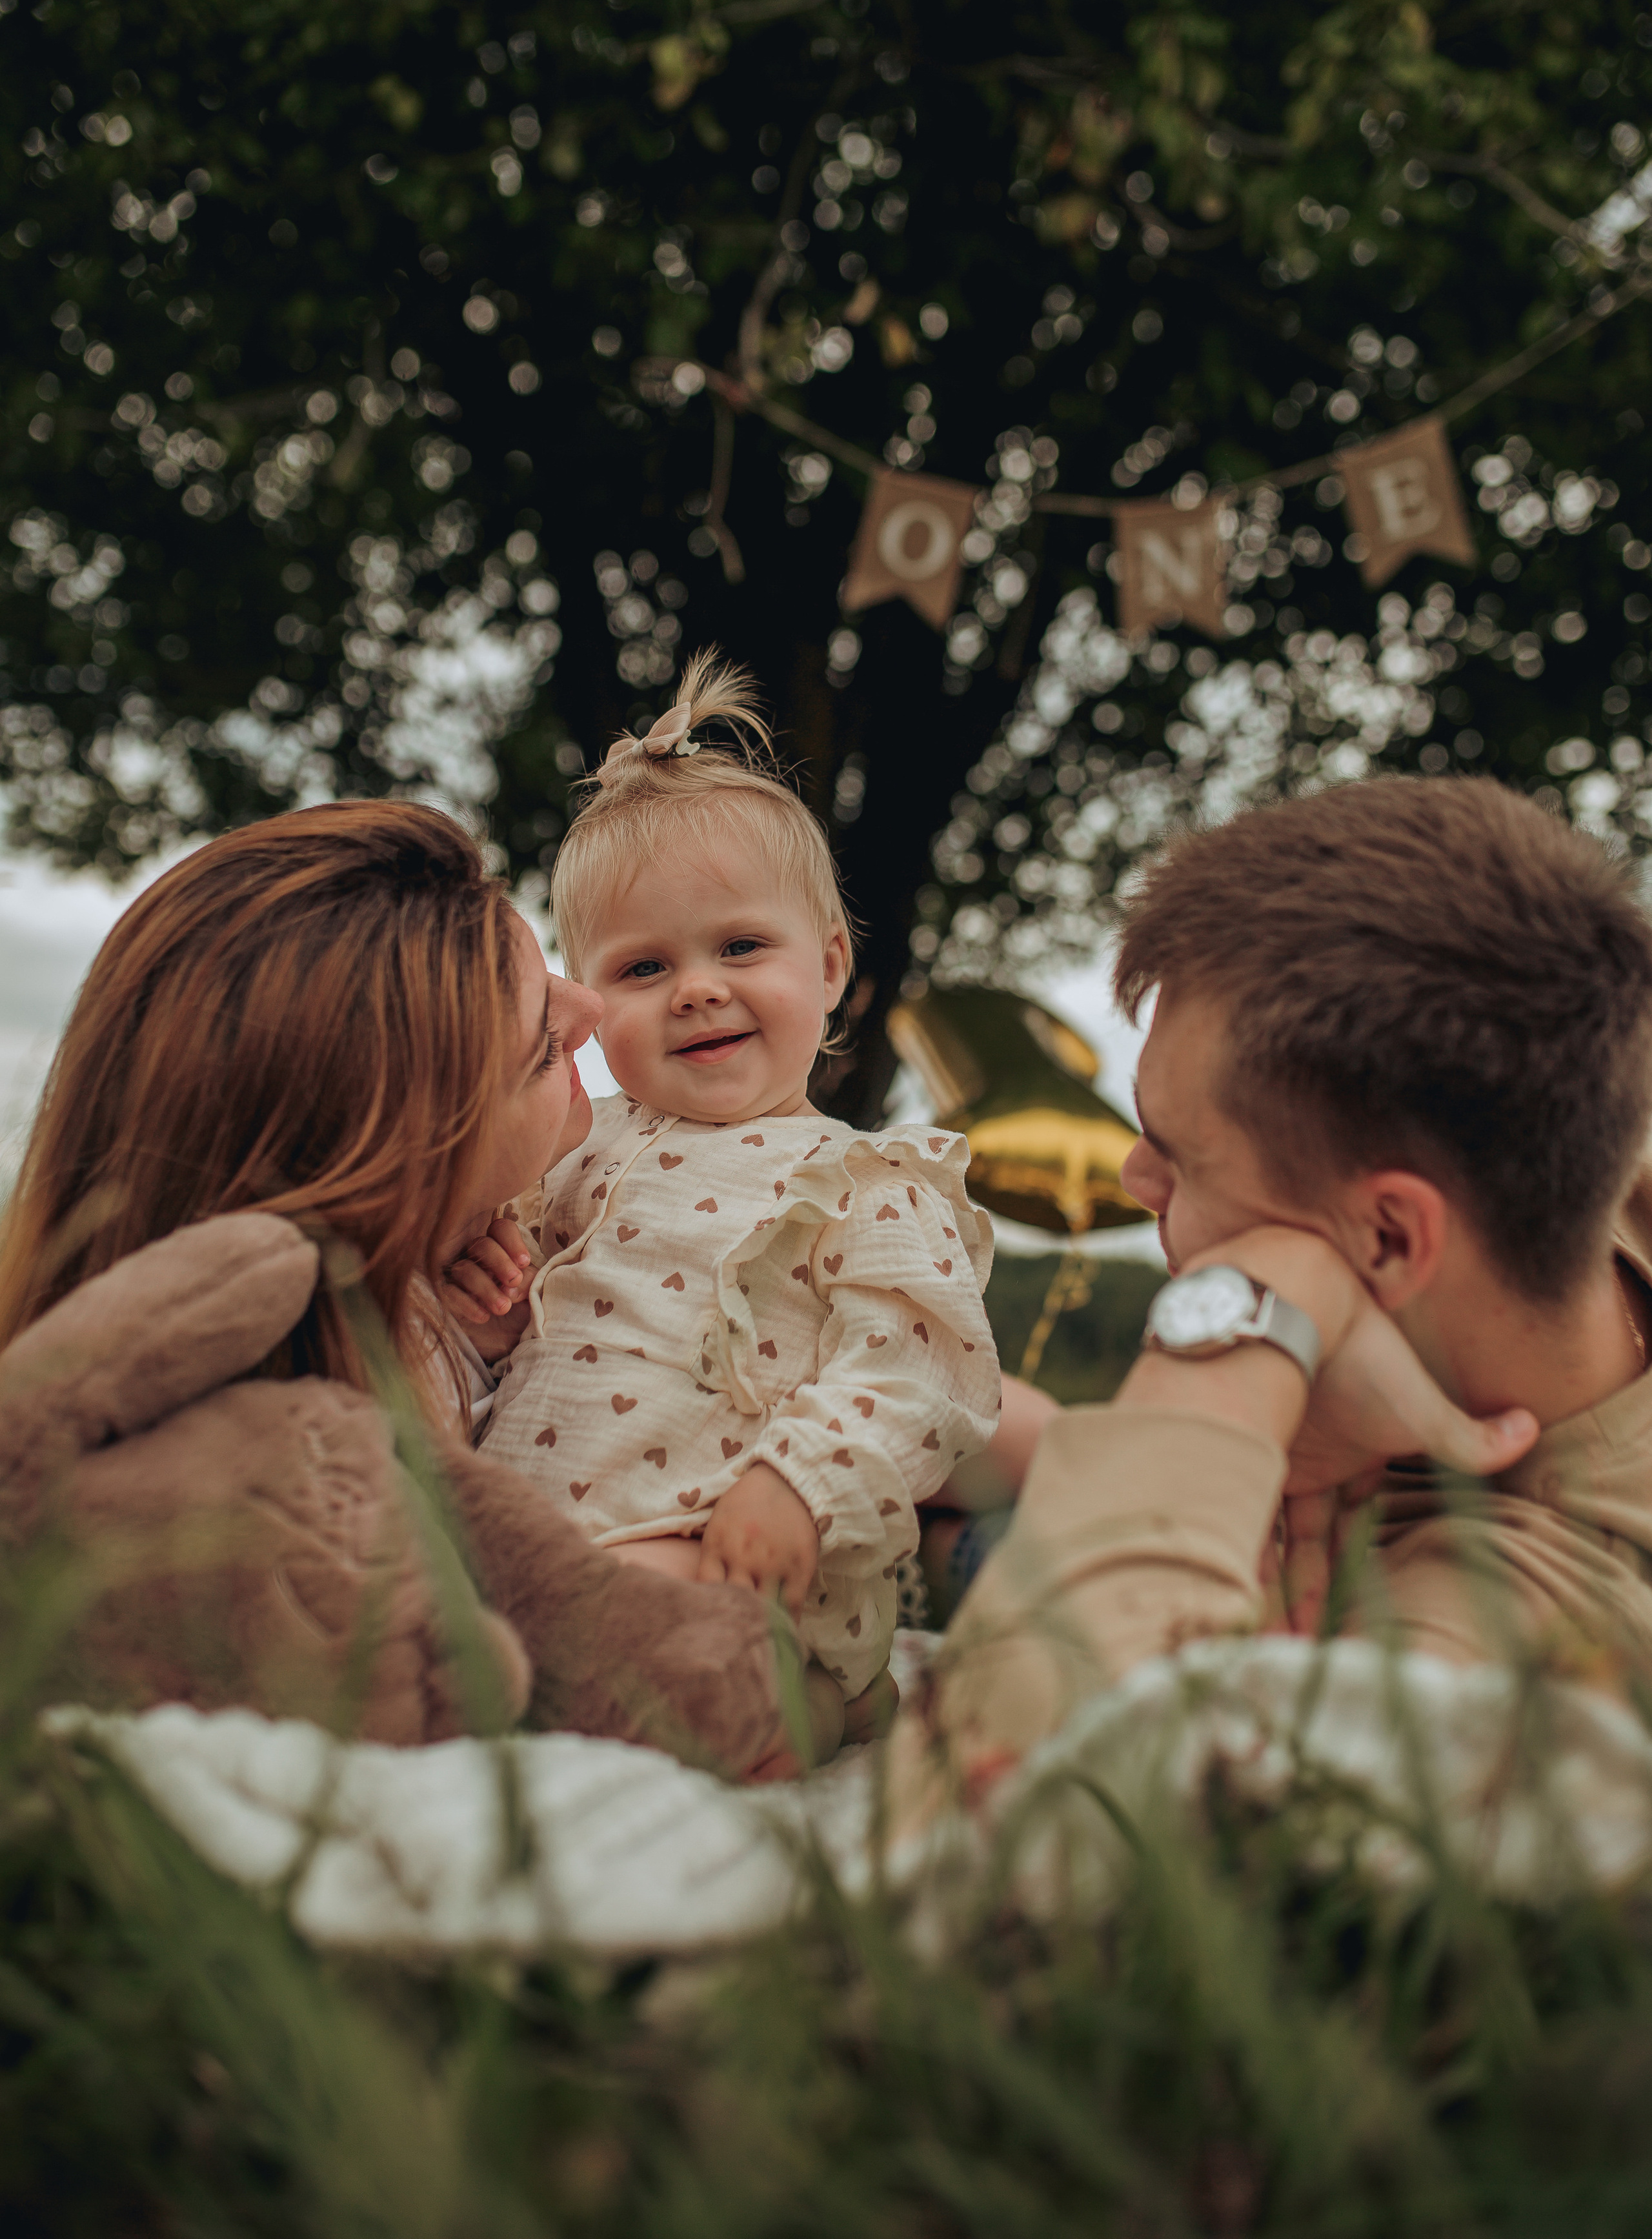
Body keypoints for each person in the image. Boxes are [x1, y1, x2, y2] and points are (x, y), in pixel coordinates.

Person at [898, 774, 1652, 1801]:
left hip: (1130, 1575)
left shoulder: (1502, 1633)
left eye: (1180, 1156)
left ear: (1389, 1235)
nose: (1135, 1177)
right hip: (1103, 1507)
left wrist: (1257, 1321)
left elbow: (988, 1789)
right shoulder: (1552, 1159)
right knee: (906, 1428)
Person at [0, 800, 793, 1774]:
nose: (588, 1010)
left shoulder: (481, 1267)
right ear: (411, 1164)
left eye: (546, 967)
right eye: (544, 1044)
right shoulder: (261, 1487)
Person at [452, 654, 1016, 1754]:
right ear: (586, 998)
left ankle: (796, 1710)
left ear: (833, 965)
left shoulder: (862, 1179)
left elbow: (919, 1370)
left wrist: (798, 1484)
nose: (699, 987)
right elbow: (522, 1329)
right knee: (481, 1634)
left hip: (733, 1544)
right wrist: (491, 1313)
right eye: (644, 968)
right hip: (532, 1538)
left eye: (742, 947)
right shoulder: (570, 1153)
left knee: (662, 1643)